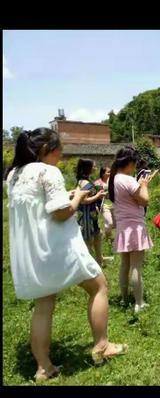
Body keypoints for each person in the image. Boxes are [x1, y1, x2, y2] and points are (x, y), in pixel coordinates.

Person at [5, 128, 127, 382]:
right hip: (57, 247)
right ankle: (102, 345)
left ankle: (43, 367)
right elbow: (60, 213)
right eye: (59, 149)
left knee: (43, 305)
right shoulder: (48, 171)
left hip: (32, 254)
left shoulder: (13, 175)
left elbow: (38, 205)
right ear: (46, 150)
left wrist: (69, 195)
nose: (61, 155)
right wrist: (79, 197)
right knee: (99, 286)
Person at [109, 146, 156, 314]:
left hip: (122, 227)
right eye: (134, 163)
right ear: (128, 162)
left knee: (124, 265)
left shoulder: (113, 179)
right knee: (136, 266)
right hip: (135, 227)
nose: (135, 167)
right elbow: (145, 200)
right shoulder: (128, 180)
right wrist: (144, 184)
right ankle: (139, 303)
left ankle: (124, 298)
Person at [76, 158, 108, 267]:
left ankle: (99, 260)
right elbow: (83, 200)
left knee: (98, 235)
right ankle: (88, 265)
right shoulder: (85, 182)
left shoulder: (85, 180)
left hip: (92, 215)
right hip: (86, 217)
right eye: (93, 166)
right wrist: (98, 196)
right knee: (88, 240)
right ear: (88, 168)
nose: (95, 168)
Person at [94, 166, 115, 244]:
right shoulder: (97, 183)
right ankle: (107, 238)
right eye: (108, 172)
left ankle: (107, 238)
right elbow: (94, 194)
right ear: (103, 173)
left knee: (114, 225)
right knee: (110, 223)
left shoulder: (112, 181)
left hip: (114, 205)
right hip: (104, 205)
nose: (110, 173)